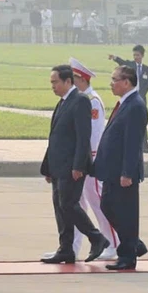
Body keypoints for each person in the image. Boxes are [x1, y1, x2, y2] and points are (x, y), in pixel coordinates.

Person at [40, 64, 111, 264]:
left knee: (69, 205)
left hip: (72, 166)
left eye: (55, 82)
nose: (52, 86)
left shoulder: (80, 101)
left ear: (68, 81)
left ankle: (97, 237)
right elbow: (55, 137)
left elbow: (83, 137)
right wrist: (47, 167)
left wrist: (79, 166)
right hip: (58, 166)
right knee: (60, 207)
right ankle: (66, 249)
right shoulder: (62, 102)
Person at [95, 65, 148, 270]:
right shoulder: (125, 103)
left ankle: (127, 256)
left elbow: (132, 143)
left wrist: (127, 173)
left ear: (126, 82)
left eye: (114, 79)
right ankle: (134, 244)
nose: (111, 83)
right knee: (107, 206)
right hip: (112, 170)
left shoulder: (135, 106)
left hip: (123, 173)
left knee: (125, 213)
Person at [109, 45, 148, 153]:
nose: (136, 57)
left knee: (142, 121)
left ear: (142, 55)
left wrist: (141, 96)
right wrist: (114, 58)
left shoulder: (147, 69)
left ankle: (145, 146)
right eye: (134, 55)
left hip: (141, 98)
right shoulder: (130, 66)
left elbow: (147, 84)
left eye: (137, 55)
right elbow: (121, 62)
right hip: (131, 97)